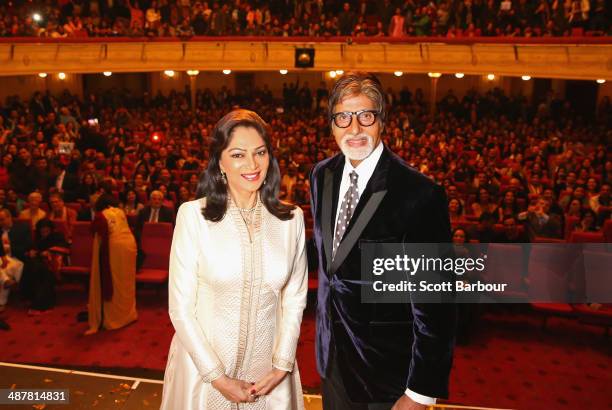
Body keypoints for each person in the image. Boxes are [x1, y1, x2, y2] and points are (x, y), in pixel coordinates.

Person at [309, 72, 455, 409]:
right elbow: (332, 262)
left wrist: (420, 392)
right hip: (331, 359)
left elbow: (437, 304)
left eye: (366, 115)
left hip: (388, 374)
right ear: (331, 125)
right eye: (343, 117)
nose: (355, 128)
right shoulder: (321, 175)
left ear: (382, 122)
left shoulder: (420, 194)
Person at [161, 109, 308, 409]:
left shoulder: (291, 219)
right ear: (220, 162)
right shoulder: (194, 217)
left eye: (260, 152)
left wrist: (282, 364)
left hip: (269, 377)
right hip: (203, 375)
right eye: (238, 154)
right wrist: (217, 377)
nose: (252, 164)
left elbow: (294, 299)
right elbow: (180, 308)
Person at [85, 194, 138, 335]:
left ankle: (113, 318)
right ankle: (128, 314)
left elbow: (93, 230)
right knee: (126, 282)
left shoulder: (102, 215)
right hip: (129, 247)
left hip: (114, 250)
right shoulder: (120, 212)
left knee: (113, 281)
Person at [21, 219, 69, 315]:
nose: (44, 233)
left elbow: (64, 248)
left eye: (46, 230)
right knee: (31, 266)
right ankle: (32, 299)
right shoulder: (37, 238)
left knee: (41, 272)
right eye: (42, 231)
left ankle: (40, 304)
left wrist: (48, 252)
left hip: (53, 264)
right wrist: (31, 252)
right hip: (38, 264)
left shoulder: (57, 236)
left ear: (51, 230)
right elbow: (30, 249)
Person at [0, 209, 31, 311]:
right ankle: (6, 281)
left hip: (16, 259)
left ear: (9, 217)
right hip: (2, 260)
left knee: (3, 270)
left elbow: (27, 247)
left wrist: (10, 248)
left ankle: (2, 301)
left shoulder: (22, 228)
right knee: (4, 270)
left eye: (2, 219)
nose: (0, 222)